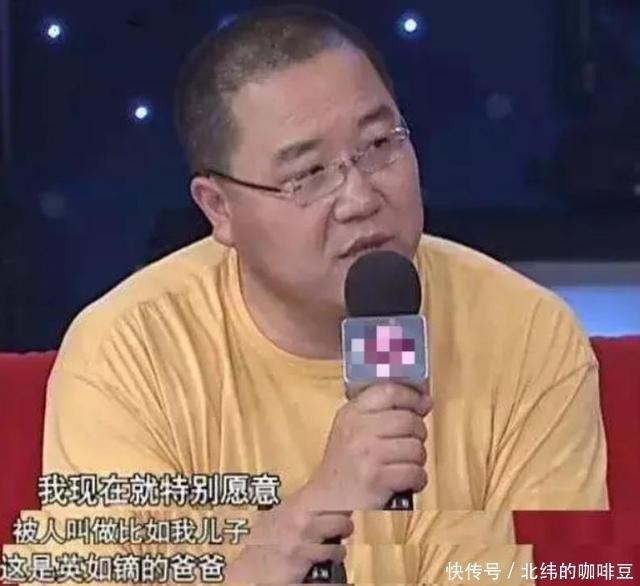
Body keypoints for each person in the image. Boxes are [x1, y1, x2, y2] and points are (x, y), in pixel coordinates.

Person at [10, 5, 607, 584]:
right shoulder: (127, 353)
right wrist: (310, 516)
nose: (360, 199)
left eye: (380, 145)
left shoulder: (527, 332)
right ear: (219, 208)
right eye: (307, 175)